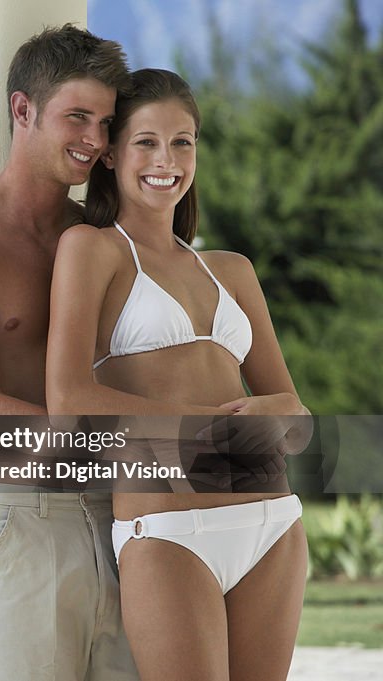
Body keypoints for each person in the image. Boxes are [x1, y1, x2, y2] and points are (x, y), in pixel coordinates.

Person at [45, 69, 309, 681]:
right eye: (146, 142)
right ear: (110, 155)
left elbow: (292, 409)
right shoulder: (92, 250)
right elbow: (67, 399)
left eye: (183, 141)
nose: (166, 159)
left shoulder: (232, 270)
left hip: (271, 522)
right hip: (167, 529)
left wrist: (284, 414)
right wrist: (201, 430)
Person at [0, 24, 138, 681]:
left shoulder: (98, 238)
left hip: (120, 511)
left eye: (105, 122)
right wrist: (155, 447)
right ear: (23, 110)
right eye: (77, 117)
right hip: (19, 515)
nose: (96, 141)